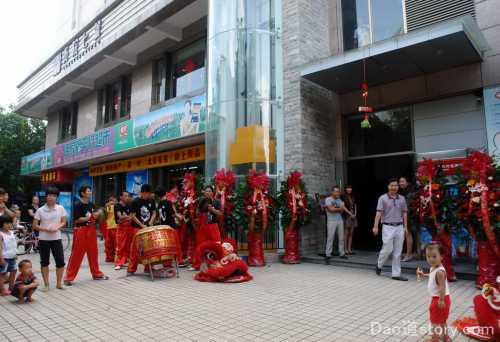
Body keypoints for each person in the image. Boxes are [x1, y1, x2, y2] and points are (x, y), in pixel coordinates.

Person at [64, 186, 108, 285]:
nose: (90, 192)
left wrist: (100, 216)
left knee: (93, 253)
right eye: (88, 191)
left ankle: (97, 274)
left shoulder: (91, 204)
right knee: (76, 255)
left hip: (91, 230)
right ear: (83, 193)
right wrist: (91, 217)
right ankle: (68, 278)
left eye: (90, 191)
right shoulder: (78, 204)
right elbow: (77, 220)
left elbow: (95, 219)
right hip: (81, 231)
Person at [373, 178, 409, 281]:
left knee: (398, 251)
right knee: (388, 249)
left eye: (396, 185)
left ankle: (396, 274)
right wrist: (375, 226)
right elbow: (378, 213)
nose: (394, 187)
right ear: (388, 186)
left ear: (398, 187)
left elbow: (404, 213)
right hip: (387, 226)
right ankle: (379, 265)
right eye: (392, 185)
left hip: (399, 227)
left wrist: (405, 227)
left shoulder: (402, 198)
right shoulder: (382, 198)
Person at [33, 187, 67, 291]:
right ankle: (46, 285)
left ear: (57, 197)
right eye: (49, 195)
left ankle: (59, 284)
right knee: (44, 262)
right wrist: (45, 229)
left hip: (57, 239)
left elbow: (64, 222)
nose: (51, 197)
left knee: (60, 261)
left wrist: (57, 227)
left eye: (54, 196)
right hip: (44, 239)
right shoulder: (40, 210)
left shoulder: (60, 208)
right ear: (46, 196)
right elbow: (35, 226)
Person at [417, 243, 452, 342]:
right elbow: (433, 276)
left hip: (439, 299)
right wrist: (424, 274)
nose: (431, 259)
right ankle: (445, 337)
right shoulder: (434, 268)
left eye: (434, 256)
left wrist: (441, 300)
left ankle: (434, 339)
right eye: (428, 256)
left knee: (434, 321)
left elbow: (442, 287)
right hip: (444, 298)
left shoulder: (440, 272)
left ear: (441, 257)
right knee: (442, 320)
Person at [127, 184, 157, 275]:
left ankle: (148, 268)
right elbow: (132, 216)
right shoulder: (135, 202)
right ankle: (131, 269)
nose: (148, 196)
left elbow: (154, 213)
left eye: (149, 194)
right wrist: (142, 225)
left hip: (148, 227)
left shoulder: (151, 200)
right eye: (147, 194)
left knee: (149, 248)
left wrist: (151, 223)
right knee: (135, 249)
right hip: (137, 229)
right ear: (142, 193)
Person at [191, 185, 222, 270]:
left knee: (216, 244)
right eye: (206, 191)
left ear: (212, 192)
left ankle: (215, 263)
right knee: (200, 245)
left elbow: (220, 214)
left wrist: (212, 210)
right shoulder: (200, 201)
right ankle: (199, 264)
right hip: (203, 227)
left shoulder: (216, 201)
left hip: (213, 226)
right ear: (204, 192)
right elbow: (197, 214)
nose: (208, 192)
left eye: (209, 191)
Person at [324, 186, 354, 263]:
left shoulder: (339, 200)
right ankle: (328, 255)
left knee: (341, 238)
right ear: (332, 192)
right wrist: (339, 208)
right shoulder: (328, 199)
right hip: (331, 221)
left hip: (339, 220)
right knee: (330, 238)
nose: (338, 193)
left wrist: (349, 213)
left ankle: (342, 253)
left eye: (339, 192)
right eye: (336, 191)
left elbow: (342, 209)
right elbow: (331, 209)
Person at [114, 191, 133, 270]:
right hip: (121, 228)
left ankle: (125, 261)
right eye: (125, 196)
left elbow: (131, 216)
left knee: (128, 245)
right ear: (121, 197)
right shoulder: (117, 205)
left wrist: (127, 217)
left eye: (127, 196)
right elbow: (120, 216)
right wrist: (127, 217)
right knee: (120, 246)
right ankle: (118, 263)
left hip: (129, 227)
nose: (127, 197)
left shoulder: (129, 205)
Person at [399, 176, 416, 262]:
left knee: (407, 234)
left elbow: (407, 206)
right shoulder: (405, 191)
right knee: (406, 234)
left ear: (407, 182)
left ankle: (409, 254)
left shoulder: (409, 191)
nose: (400, 183)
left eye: (402, 181)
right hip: (406, 215)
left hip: (409, 215)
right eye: (400, 182)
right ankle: (408, 253)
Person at [0, 216, 16, 296]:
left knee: (13, 271)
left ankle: (11, 287)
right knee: (2, 274)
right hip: (4, 257)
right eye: (6, 223)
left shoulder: (11, 233)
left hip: (12, 257)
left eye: (10, 223)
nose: (9, 225)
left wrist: (15, 254)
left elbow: (13, 244)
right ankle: (2, 290)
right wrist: (1, 258)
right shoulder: (1, 234)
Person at [343, 185, 358, 255]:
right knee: (346, 233)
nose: (349, 189)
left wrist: (355, 214)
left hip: (353, 216)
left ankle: (349, 249)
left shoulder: (352, 196)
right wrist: (350, 213)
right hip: (347, 215)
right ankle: (345, 249)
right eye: (348, 188)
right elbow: (343, 207)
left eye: (350, 188)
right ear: (345, 189)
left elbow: (355, 206)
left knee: (351, 233)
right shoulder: (343, 196)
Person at [104, 196, 118, 263]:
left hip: (115, 227)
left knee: (114, 244)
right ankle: (110, 257)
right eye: (111, 201)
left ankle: (114, 257)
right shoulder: (108, 207)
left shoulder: (117, 207)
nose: (112, 202)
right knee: (109, 244)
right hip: (109, 227)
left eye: (114, 201)